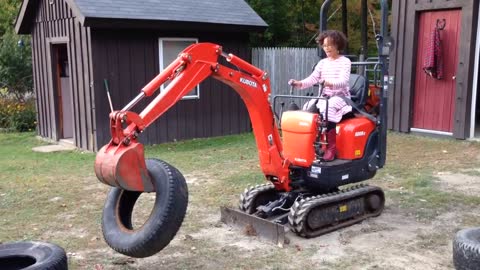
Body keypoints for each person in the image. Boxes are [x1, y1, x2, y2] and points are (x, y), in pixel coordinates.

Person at [288, 30, 352, 161]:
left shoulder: (345, 61)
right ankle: (308, 145)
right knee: (308, 106)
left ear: (337, 45)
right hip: (324, 96)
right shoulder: (322, 63)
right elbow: (312, 79)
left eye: (329, 45)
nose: (326, 48)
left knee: (328, 107)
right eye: (324, 45)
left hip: (341, 97)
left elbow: (343, 81)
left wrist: (328, 83)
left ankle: (331, 148)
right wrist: (299, 83)